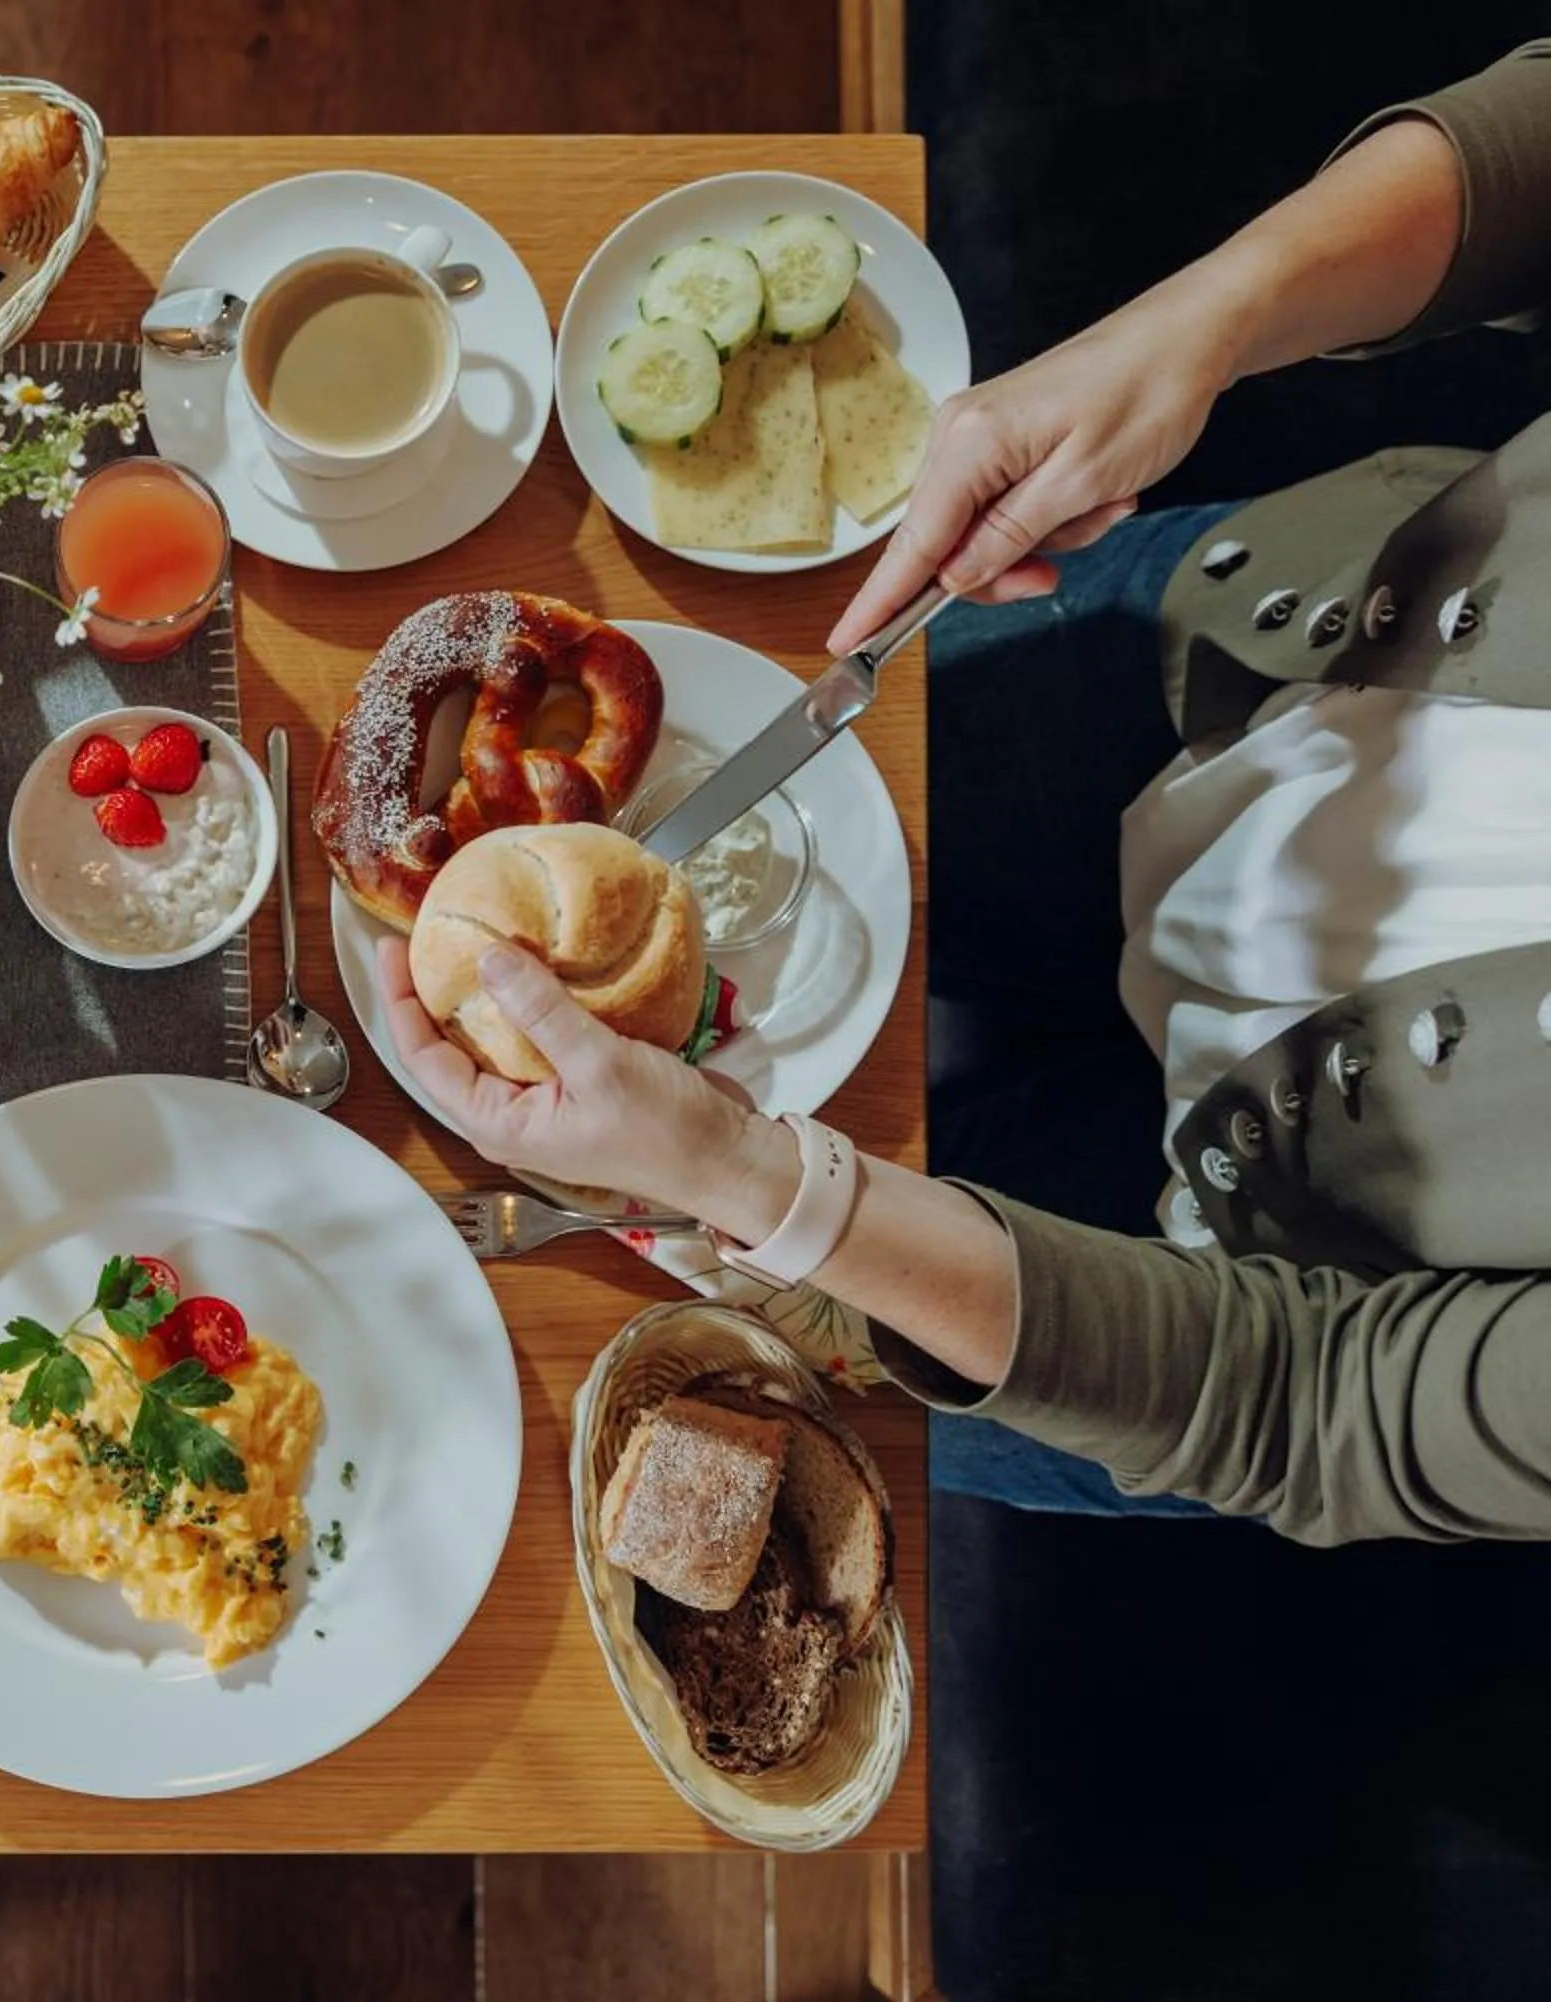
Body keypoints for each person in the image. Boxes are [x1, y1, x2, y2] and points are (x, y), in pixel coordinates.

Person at [384, 38, 1551, 1541]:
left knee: (725, 1373)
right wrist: (1206, 320)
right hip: (1246, 655)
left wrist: (757, 1179)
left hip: (1192, 1291)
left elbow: (1306, 1401)